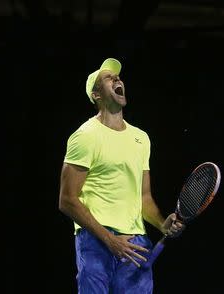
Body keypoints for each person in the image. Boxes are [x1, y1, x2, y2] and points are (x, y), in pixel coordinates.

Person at [58, 57, 185, 293]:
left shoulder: (141, 138)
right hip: (96, 242)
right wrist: (109, 240)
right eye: (108, 78)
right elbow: (66, 200)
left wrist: (161, 223)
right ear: (96, 95)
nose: (117, 79)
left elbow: (143, 198)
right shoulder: (85, 136)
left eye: (117, 76)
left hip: (136, 245)